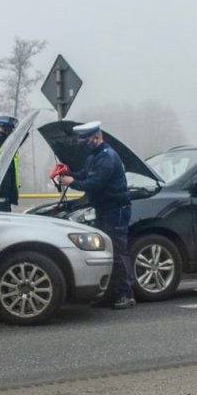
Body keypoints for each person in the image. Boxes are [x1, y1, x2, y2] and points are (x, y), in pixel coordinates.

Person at [59, 121, 136, 310]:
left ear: (96, 137)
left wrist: (71, 181)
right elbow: (84, 174)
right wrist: (68, 172)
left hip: (115, 211)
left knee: (117, 253)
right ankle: (111, 294)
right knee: (105, 253)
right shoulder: (95, 156)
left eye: (86, 140)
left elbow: (94, 183)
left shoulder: (107, 157)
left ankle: (126, 294)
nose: (84, 144)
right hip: (104, 209)